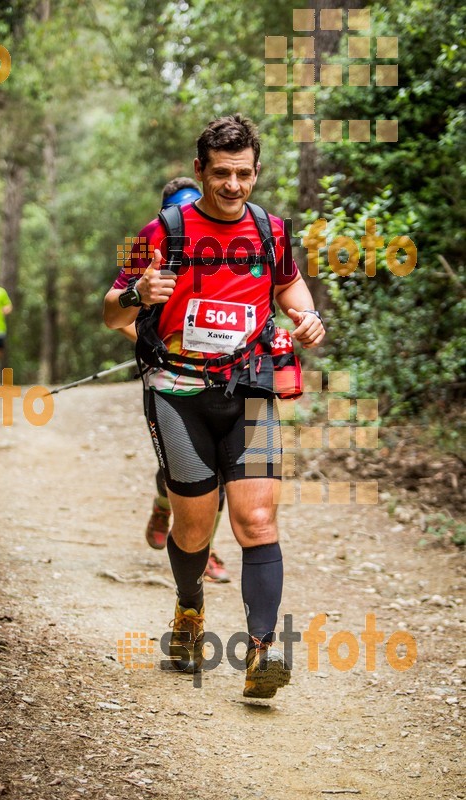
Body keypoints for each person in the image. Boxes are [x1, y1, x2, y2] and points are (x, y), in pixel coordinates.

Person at [103, 114, 325, 699]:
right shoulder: (160, 230)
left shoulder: (273, 231)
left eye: (244, 174)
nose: (233, 185)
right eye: (221, 173)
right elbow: (110, 310)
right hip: (178, 392)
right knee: (195, 530)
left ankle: (262, 653)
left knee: (257, 520)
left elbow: (289, 285)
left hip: (249, 387)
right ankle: (188, 610)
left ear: (256, 173)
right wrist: (135, 292)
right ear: (200, 169)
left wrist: (305, 315)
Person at [113, 177, 230, 583]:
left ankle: (208, 549)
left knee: (220, 474)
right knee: (185, 469)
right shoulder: (155, 247)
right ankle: (164, 503)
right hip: (168, 378)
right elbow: (119, 315)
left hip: (222, 378)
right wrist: (156, 348)